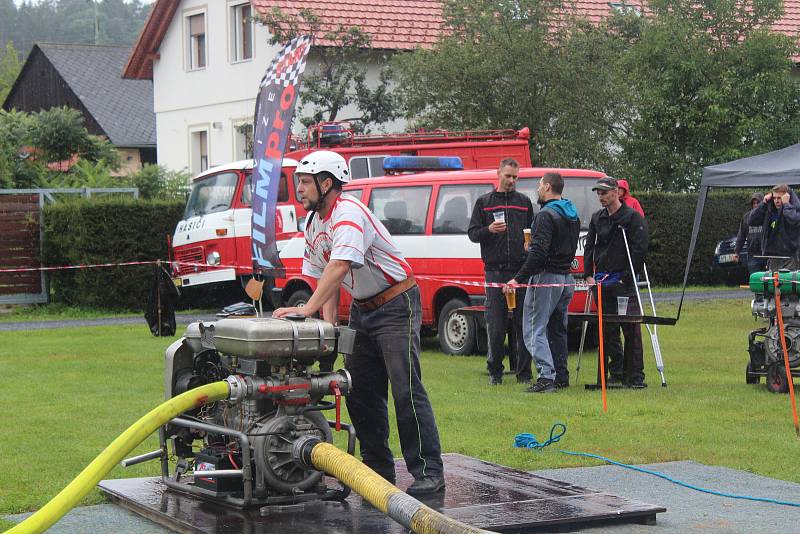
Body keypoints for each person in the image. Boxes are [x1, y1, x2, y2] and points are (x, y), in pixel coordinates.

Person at [272, 150, 444, 495]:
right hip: (364, 310)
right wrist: (328, 330)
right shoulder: (313, 224)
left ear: (327, 183)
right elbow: (327, 279)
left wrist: (306, 311)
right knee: (360, 391)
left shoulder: (348, 212)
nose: (299, 189)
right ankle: (377, 473)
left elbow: (339, 267)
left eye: (305, 182)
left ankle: (429, 473)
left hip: (396, 302)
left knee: (405, 388)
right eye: (299, 182)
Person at [505, 172, 580, 393]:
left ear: (547, 187)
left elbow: (538, 254)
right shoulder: (571, 213)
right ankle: (560, 375)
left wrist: (518, 278)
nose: (537, 190)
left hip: (546, 279)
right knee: (557, 329)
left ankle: (546, 377)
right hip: (566, 278)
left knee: (533, 329)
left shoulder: (545, 215)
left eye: (539, 186)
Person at [468, 158, 534, 386]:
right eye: (508, 176)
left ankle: (524, 373)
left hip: (520, 270)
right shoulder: (484, 202)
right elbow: (473, 234)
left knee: (523, 324)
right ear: (498, 174)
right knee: (496, 325)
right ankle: (495, 372)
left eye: (515, 177)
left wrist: (529, 244)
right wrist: (488, 229)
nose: (512, 181)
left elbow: (531, 231)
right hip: (494, 272)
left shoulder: (524, 203)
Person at [583, 177, 648, 389]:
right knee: (608, 329)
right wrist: (587, 275)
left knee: (631, 327)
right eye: (598, 193)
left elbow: (639, 251)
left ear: (615, 192)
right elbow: (589, 247)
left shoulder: (632, 218)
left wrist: (626, 277)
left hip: (623, 281)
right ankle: (616, 370)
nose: (600, 197)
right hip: (601, 279)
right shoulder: (596, 218)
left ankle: (635, 374)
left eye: (604, 193)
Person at [748, 184, 800, 271]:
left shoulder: (795, 208)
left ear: (787, 197)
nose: (776, 201)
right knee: (772, 284)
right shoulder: (769, 209)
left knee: (787, 283)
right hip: (773, 257)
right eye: (775, 198)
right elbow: (751, 220)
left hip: (790, 257)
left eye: (779, 198)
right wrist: (763, 203)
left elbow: (794, 220)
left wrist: (786, 204)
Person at [733, 193, 765, 274]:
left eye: (758, 203)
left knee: (769, 282)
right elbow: (741, 236)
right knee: (755, 282)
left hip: (767, 255)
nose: (756, 205)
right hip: (752, 255)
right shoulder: (746, 217)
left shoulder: (767, 215)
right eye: (754, 203)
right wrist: (737, 252)